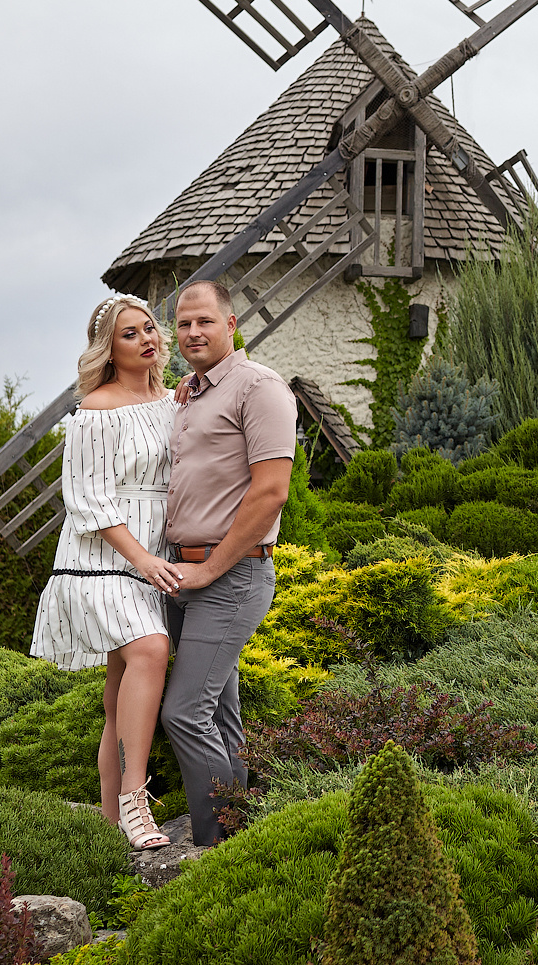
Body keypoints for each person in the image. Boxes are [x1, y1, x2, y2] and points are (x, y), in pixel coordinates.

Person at [28, 294, 186, 852]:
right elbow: (88, 502)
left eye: (148, 328)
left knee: (119, 690)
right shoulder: (95, 411)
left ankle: (107, 822)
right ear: (108, 350)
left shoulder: (174, 401)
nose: (146, 338)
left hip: (159, 554)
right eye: (128, 334)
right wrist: (141, 558)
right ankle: (136, 805)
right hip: (103, 558)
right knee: (149, 649)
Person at [162, 278, 295, 847]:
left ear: (232, 324)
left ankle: (217, 846)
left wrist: (210, 569)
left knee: (184, 713)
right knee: (216, 714)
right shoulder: (188, 395)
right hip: (181, 576)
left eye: (205, 322)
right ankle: (246, 836)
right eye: (184, 324)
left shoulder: (258, 388)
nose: (193, 332)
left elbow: (271, 493)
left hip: (230, 576)